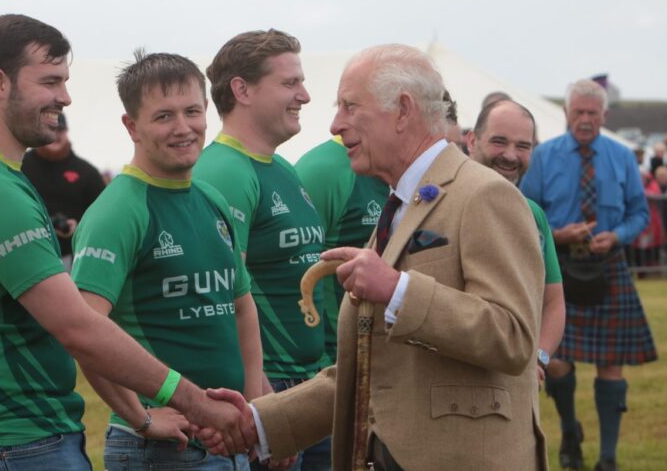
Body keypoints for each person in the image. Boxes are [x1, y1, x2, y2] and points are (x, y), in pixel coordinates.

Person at [0, 14, 253, 470]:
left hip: (31, 433)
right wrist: (183, 404)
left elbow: (241, 304)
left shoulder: (0, 177)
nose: (65, 97)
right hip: (16, 437)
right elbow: (79, 326)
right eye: (50, 81)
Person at [207, 43, 546, 470]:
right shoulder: (401, 206)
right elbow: (364, 369)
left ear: (403, 110)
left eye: (350, 106)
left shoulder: (484, 195)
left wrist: (397, 289)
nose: (335, 123)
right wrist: (258, 422)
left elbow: (514, 336)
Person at [71, 50, 264, 470]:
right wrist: (139, 418)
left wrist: (254, 405)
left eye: (192, 111)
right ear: (131, 125)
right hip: (165, 451)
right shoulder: (118, 210)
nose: (183, 128)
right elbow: (84, 331)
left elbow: (242, 306)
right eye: (163, 117)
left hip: (228, 439)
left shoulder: (210, 198)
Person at [193, 29, 329, 470]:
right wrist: (261, 400)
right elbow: (218, 298)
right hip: (269, 388)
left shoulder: (283, 169)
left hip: (307, 384)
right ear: (242, 90)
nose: (305, 96)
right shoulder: (226, 171)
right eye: (290, 83)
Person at [520, 79, 657, 471]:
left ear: (604, 116)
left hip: (607, 265)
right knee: (556, 359)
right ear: (566, 113)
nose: (584, 120)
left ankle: (609, 458)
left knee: (610, 362)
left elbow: (640, 213)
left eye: (592, 114)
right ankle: (568, 431)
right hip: (558, 266)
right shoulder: (544, 156)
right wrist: (557, 234)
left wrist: (619, 235)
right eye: (578, 112)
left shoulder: (622, 156)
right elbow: (524, 210)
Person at [465, 99, 566, 383]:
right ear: (472, 140)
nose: (510, 155)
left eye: (523, 146)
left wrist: (539, 357)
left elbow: (554, 301)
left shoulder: (534, 215)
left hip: (519, 379)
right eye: (499, 142)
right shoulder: (442, 204)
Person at [295, 139, 388, 366]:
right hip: (335, 364)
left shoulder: (417, 173)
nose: (337, 124)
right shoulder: (323, 170)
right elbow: (294, 271)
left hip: (393, 360)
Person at [21, 112, 105, 270]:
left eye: (60, 129)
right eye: (50, 128)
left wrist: (79, 227)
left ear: (66, 132)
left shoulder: (86, 172)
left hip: (71, 258)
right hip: (25, 253)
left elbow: (103, 217)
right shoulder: (20, 165)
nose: (55, 134)